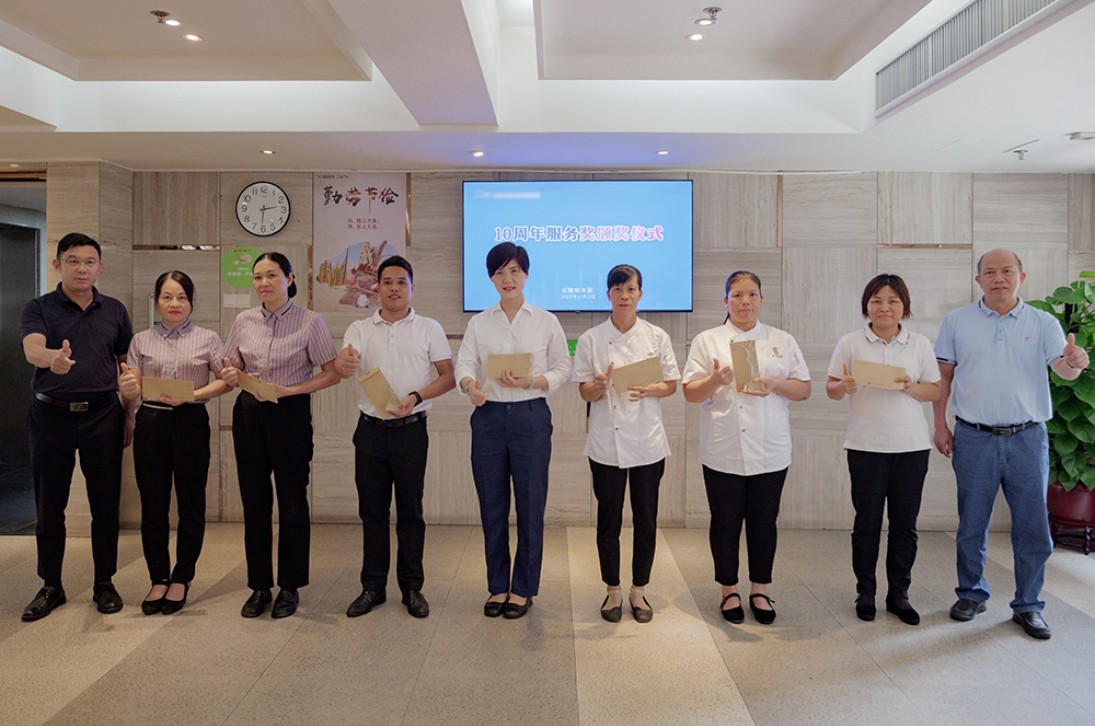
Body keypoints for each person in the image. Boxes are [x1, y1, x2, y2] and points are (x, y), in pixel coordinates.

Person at [933, 249, 1089, 640]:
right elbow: (943, 378)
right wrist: (939, 425)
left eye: (1007, 271)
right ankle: (971, 593)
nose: (998, 278)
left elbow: (1063, 370)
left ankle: (1029, 604)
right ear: (978, 280)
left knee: (1032, 526)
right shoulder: (957, 321)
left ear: (1022, 276)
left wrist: (1075, 362)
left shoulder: (1043, 322)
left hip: (1027, 438)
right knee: (971, 523)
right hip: (974, 436)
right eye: (990, 272)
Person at [682, 270, 811, 625]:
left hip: (770, 448)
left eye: (752, 294)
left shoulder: (781, 340)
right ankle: (729, 590)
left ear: (761, 300)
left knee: (764, 522)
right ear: (725, 301)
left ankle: (760, 589)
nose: (745, 302)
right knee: (724, 521)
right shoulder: (708, 340)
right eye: (737, 295)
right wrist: (714, 380)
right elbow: (690, 393)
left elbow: (804, 389)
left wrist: (775, 384)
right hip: (723, 448)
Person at [19, 232, 133, 621]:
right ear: (58, 265)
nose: (81, 268)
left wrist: (130, 412)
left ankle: (105, 582)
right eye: (72, 261)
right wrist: (52, 358)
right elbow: (32, 348)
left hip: (104, 414)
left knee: (106, 503)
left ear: (100, 267)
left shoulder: (114, 310)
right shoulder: (39, 308)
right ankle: (51, 585)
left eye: (88, 262)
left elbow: (126, 364)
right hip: (50, 416)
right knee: (50, 504)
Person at [333, 256, 455, 619]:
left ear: (412, 287)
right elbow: (345, 361)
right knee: (372, 512)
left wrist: (416, 397)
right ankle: (372, 587)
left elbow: (448, 376)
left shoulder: (429, 328)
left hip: (411, 431)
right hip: (370, 431)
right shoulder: (359, 328)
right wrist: (344, 364)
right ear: (377, 288)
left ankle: (412, 587)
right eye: (387, 282)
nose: (394, 288)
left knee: (411, 512)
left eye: (401, 282)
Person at [455, 242, 571, 619]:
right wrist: (469, 386)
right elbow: (464, 364)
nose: (508, 278)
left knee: (530, 507)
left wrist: (534, 380)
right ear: (491, 278)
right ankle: (497, 586)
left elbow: (563, 368)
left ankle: (522, 589)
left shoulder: (545, 321)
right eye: (500, 272)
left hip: (530, 417)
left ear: (526, 274)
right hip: (488, 417)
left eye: (515, 271)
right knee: (492, 506)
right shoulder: (479, 322)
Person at [221, 252, 340, 619]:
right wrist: (229, 375)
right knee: (254, 501)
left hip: (290, 412)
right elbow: (230, 366)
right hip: (249, 413)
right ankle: (259, 585)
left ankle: (290, 586)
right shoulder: (243, 320)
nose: (264, 283)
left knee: (291, 501)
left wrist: (291, 389)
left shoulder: (310, 321)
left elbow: (332, 373)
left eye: (272, 275)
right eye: (258, 277)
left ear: (289, 279)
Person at [826, 274, 941, 625]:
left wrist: (911, 387)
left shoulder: (919, 344)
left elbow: (935, 390)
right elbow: (831, 388)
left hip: (911, 447)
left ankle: (899, 594)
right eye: (876, 300)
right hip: (865, 446)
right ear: (867, 305)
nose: (884, 307)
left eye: (892, 301)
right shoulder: (850, 342)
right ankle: (865, 592)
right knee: (867, 523)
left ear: (904, 306)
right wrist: (843, 387)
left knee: (905, 525)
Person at [573, 264, 679, 623]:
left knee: (646, 519)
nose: (624, 296)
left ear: (640, 294)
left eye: (630, 289)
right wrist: (598, 387)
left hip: (648, 440)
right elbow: (583, 391)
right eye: (618, 289)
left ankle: (639, 591)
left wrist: (651, 389)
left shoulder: (656, 336)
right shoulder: (590, 339)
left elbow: (671, 384)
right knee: (609, 520)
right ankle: (613, 591)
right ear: (608, 295)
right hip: (606, 443)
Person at [120, 271, 229, 615]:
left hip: (191, 421)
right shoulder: (141, 340)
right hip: (151, 422)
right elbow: (134, 385)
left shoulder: (208, 338)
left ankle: (182, 577)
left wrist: (193, 395)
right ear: (157, 301)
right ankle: (158, 578)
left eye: (181, 297)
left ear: (192, 301)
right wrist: (128, 395)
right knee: (153, 504)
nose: (174, 303)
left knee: (191, 502)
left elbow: (225, 382)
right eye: (167, 297)